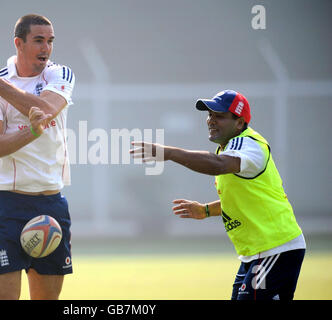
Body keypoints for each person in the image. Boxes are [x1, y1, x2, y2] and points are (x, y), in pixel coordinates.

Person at [130, 90, 306, 300]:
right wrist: (205, 210)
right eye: (210, 115)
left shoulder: (249, 145)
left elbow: (217, 165)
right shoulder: (230, 149)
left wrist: (169, 153)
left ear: (239, 123)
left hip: (276, 248)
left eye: (219, 116)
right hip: (257, 253)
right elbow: (242, 200)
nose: (211, 121)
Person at [0, 14, 75, 300]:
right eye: (38, 40)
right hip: (7, 204)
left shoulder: (60, 74)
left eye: (50, 41)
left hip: (51, 203)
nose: (46, 48)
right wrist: (32, 131)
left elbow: (46, 109)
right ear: (19, 43)